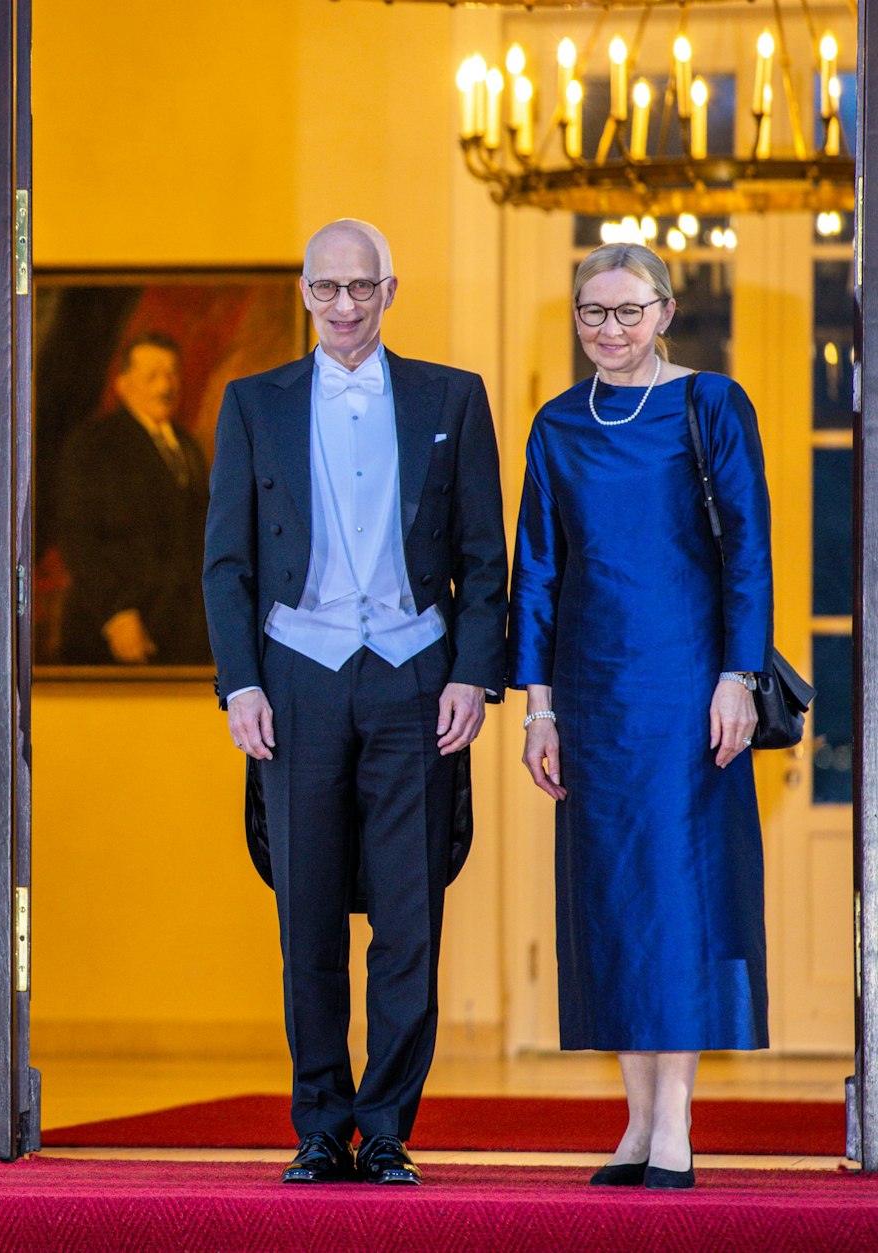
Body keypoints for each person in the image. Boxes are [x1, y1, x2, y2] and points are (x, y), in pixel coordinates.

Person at [202, 219, 507, 1186]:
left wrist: (473, 671)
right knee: (309, 912)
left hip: (417, 672)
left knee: (411, 915)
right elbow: (226, 563)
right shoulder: (253, 404)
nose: (343, 305)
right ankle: (320, 1122)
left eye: (361, 287)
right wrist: (240, 681)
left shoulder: (452, 397)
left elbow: (481, 558)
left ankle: (385, 1128)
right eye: (327, 287)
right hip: (298, 677)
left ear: (390, 289)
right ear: (304, 291)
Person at [509, 242, 771, 1191]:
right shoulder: (555, 426)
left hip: (689, 683)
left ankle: (676, 1126)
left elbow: (747, 548)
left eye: (626, 311)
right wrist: (536, 708)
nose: (607, 329)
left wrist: (738, 673)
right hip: (589, 692)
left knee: (679, 895)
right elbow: (535, 571)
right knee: (611, 898)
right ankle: (632, 1123)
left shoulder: (711, 405)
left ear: (665, 311)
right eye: (591, 312)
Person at [58, 332, 211, 665]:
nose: (165, 385)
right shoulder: (96, 444)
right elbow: (79, 538)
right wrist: (117, 614)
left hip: (183, 631)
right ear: (123, 384)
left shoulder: (186, 446)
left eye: (171, 373)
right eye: (152, 376)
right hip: (119, 631)